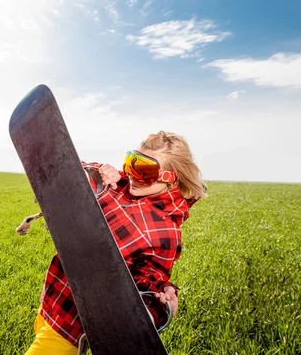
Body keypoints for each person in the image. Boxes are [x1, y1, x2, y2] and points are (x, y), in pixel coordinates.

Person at [25, 131, 207, 355]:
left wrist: (159, 306)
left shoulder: (165, 231)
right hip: (54, 298)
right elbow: (72, 170)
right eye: (132, 163)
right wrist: (98, 173)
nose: (133, 175)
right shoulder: (118, 185)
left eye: (145, 171)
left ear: (171, 178)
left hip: (73, 323)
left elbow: (150, 279)